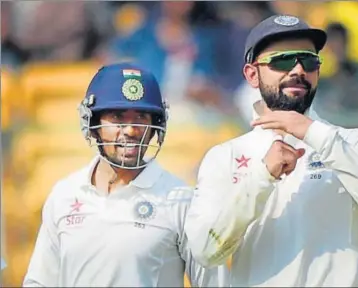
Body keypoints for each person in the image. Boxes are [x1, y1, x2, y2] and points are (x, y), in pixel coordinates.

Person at [184, 15, 358, 287]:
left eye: (308, 61)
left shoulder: (354, 142)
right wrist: (260, 178)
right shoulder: (226, 156)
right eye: (282, 60)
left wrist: (314, 134)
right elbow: (205, 252)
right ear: (251, 74)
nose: (297, 70)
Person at [23, 63, 229, 287]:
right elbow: (40, 282)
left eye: (141, 117)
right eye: (117, 116)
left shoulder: (180, 200)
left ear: (155, 126)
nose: (131, 130)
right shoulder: (65, 194)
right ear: (93, 124)